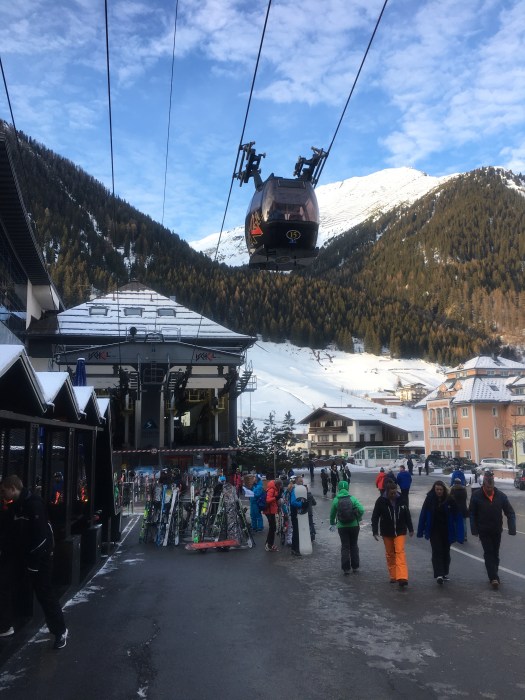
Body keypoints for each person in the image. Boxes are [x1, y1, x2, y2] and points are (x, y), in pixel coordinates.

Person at [0, 475, 68, 649]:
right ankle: (5, 625)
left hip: (39, 559)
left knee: (44, 594)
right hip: (23, 556)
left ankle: (60, 631)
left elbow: (41, 537)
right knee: (4, 583)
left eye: (4, 490)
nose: (2, 494)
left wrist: (33, 565)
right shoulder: (16, 506)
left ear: (13, 488)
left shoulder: (34, 504)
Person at [469, 471, 516, 589]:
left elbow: (510, 512)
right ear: (483, 485)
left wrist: (512, 528)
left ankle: (494, 572)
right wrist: (474, 529)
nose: (489, 489)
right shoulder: (476, 496)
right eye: (487, 487)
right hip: (484, 530)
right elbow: (472, 513)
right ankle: (493, 577)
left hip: (496, 530)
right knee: (489, 552)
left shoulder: (501, 496)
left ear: (494, 485)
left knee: (495, 554)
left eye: (491, 487)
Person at [417, 480, 464, 584]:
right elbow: (423, 514)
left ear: (444, 490)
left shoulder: (450, 500)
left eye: (440, 489)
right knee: (437, 551)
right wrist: (420, 530)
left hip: (447, 530)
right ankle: (439, 574)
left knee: (446, 551)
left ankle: (444, 573)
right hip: (434, 530)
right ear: (434, 489)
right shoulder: (430, 499)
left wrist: (460, 534)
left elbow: (458, 516)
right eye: (437, 489)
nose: (438, 491)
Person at [371, 481, 414, 588]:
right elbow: (375, 516)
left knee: (400, 552)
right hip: (387, 531)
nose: (394, 495)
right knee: (390, 554)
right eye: (391, 493)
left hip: (400, 531)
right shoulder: (381, 501)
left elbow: (407, 514)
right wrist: (375, 531)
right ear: (387, 492)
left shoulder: (401, 499)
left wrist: (410, 528)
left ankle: (402, 577)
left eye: (395, 493)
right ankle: (393, 575)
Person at [329, 480, 364, 575]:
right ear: (348, 488)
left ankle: (346, 568)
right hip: (354, 526)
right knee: (354, 545)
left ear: (339, 488)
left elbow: (332, 514)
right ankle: (355, 567)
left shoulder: (336, 500)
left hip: (342, 527)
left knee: (345, 546)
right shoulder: (353, 498)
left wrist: (332, 523)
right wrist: (358, 517)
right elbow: (361, 509)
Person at [263, 478, 282, 552]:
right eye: (279, 485)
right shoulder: (272, 489)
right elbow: (268, 500)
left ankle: (269, 544)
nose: (280, 487)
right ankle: (269, 545)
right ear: (277, 484)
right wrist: (275, 498)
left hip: (271, 511)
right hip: (269, 511)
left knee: (272, 528)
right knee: (272, 528)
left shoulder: (274, 488)